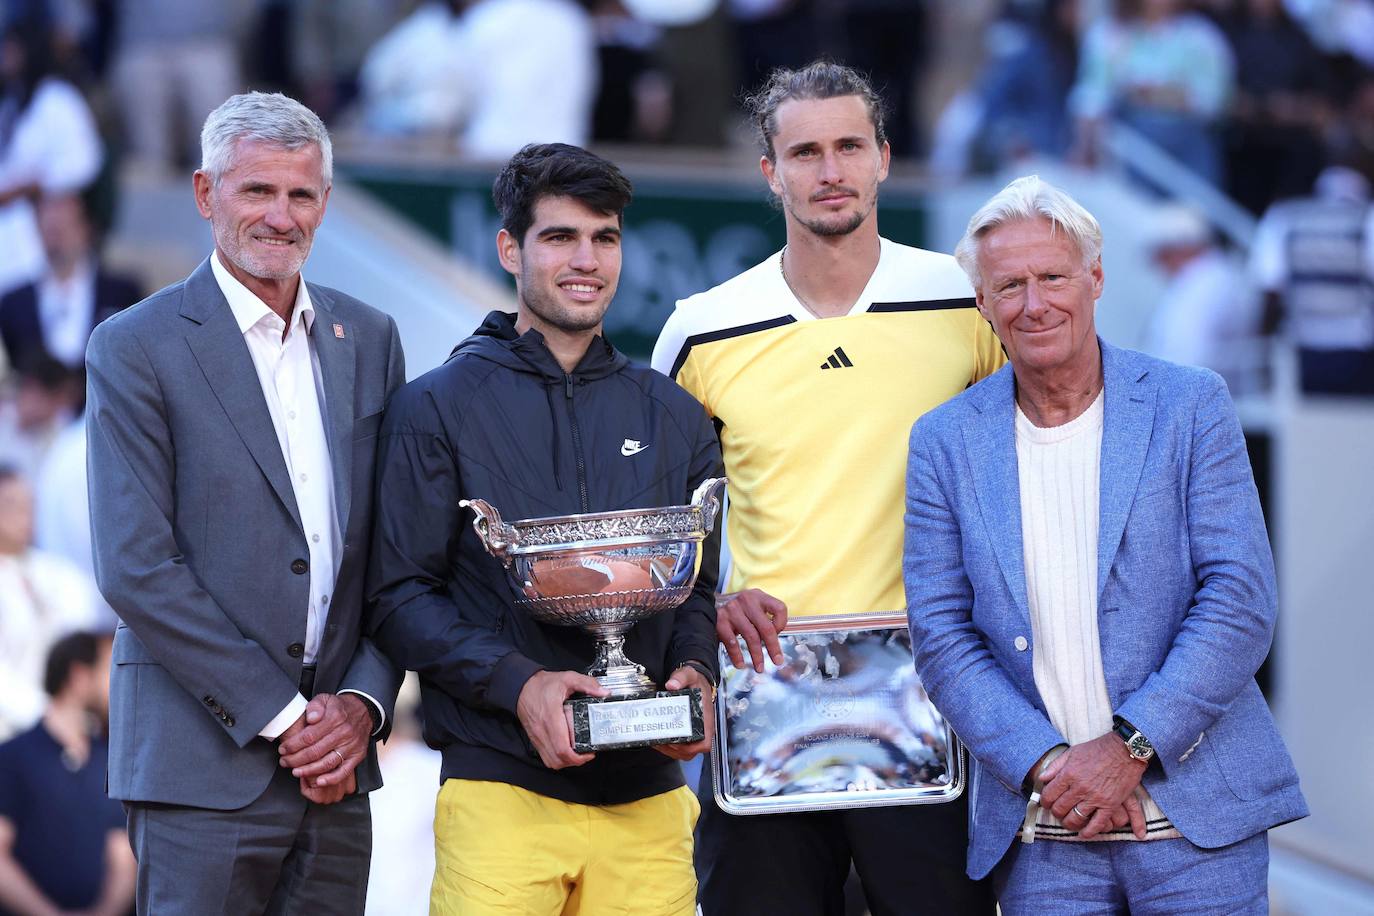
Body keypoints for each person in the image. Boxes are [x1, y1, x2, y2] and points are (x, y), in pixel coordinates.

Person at [651, 60, 1003, 916]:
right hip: (766, 693)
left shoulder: (966, 302)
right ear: (770, 172)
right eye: (805, 151)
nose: (831, 170)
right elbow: (664, 525)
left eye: (850, 146)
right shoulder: (702, 328)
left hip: (934, 699)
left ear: (885, 156)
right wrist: (710, 602)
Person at [902, 175, 1308, 913]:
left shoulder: (1191, 404)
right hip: (1045, 840)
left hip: (1198, 827)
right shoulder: (944, 441)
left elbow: (1240, 598)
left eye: (1054, 276)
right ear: (983, 306)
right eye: (1010, 286)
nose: (1035, 302)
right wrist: (1051, 766)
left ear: (1095, 278)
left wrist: (1128, 748)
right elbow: (942, 636)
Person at [368, 142, 722, 916]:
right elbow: (397, 596)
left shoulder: (673, 413)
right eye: (560, 237)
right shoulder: (436, 407)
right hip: (500, 792)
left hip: (650, 804)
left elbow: (697, 588)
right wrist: (520, 685)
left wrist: (696, 671)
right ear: (509, 249)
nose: (586, 259)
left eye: (606, 236)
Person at [85, 91, 406, 913]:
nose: (280, 214)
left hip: (340, 767)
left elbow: (396, 551)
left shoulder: (370, 338)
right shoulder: (135, 345)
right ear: (205, 195)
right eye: (256, 190)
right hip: (200, 764)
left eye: (301, 194)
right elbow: (136, 567)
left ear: (325, 203)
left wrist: (363, 706)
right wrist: (286, 715)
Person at [0, 630, 135, 916]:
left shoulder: (112, 760)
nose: (120, 684)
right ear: (78, 676)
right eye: (110, 669)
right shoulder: (12, 757)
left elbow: (123, 855)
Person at [0, 15, 103, 297]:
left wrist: (32, 186)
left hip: (47, 209)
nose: (5, 57)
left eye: (12, 48)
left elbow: (86, 161)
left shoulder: (59, 98)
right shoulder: (12, 102)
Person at [1249, 164, 1374, 395]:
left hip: (1303, 352)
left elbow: (1269, 291)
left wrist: (1263, 354)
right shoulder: (1367, 218)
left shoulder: (1284, 218)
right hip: (1358, 351)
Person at [0, 465, 98, 741]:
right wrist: (43, 712)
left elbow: (80, 635)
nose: (23, 514)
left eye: (29, 503)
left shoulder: (58, 574)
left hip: (68, 721)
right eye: (10, 504)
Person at [0, 192, 141, 373]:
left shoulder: (122, 293)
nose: (57, 240)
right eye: (50, 230)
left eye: (64, 228)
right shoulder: (15, 302)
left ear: (86, 229)